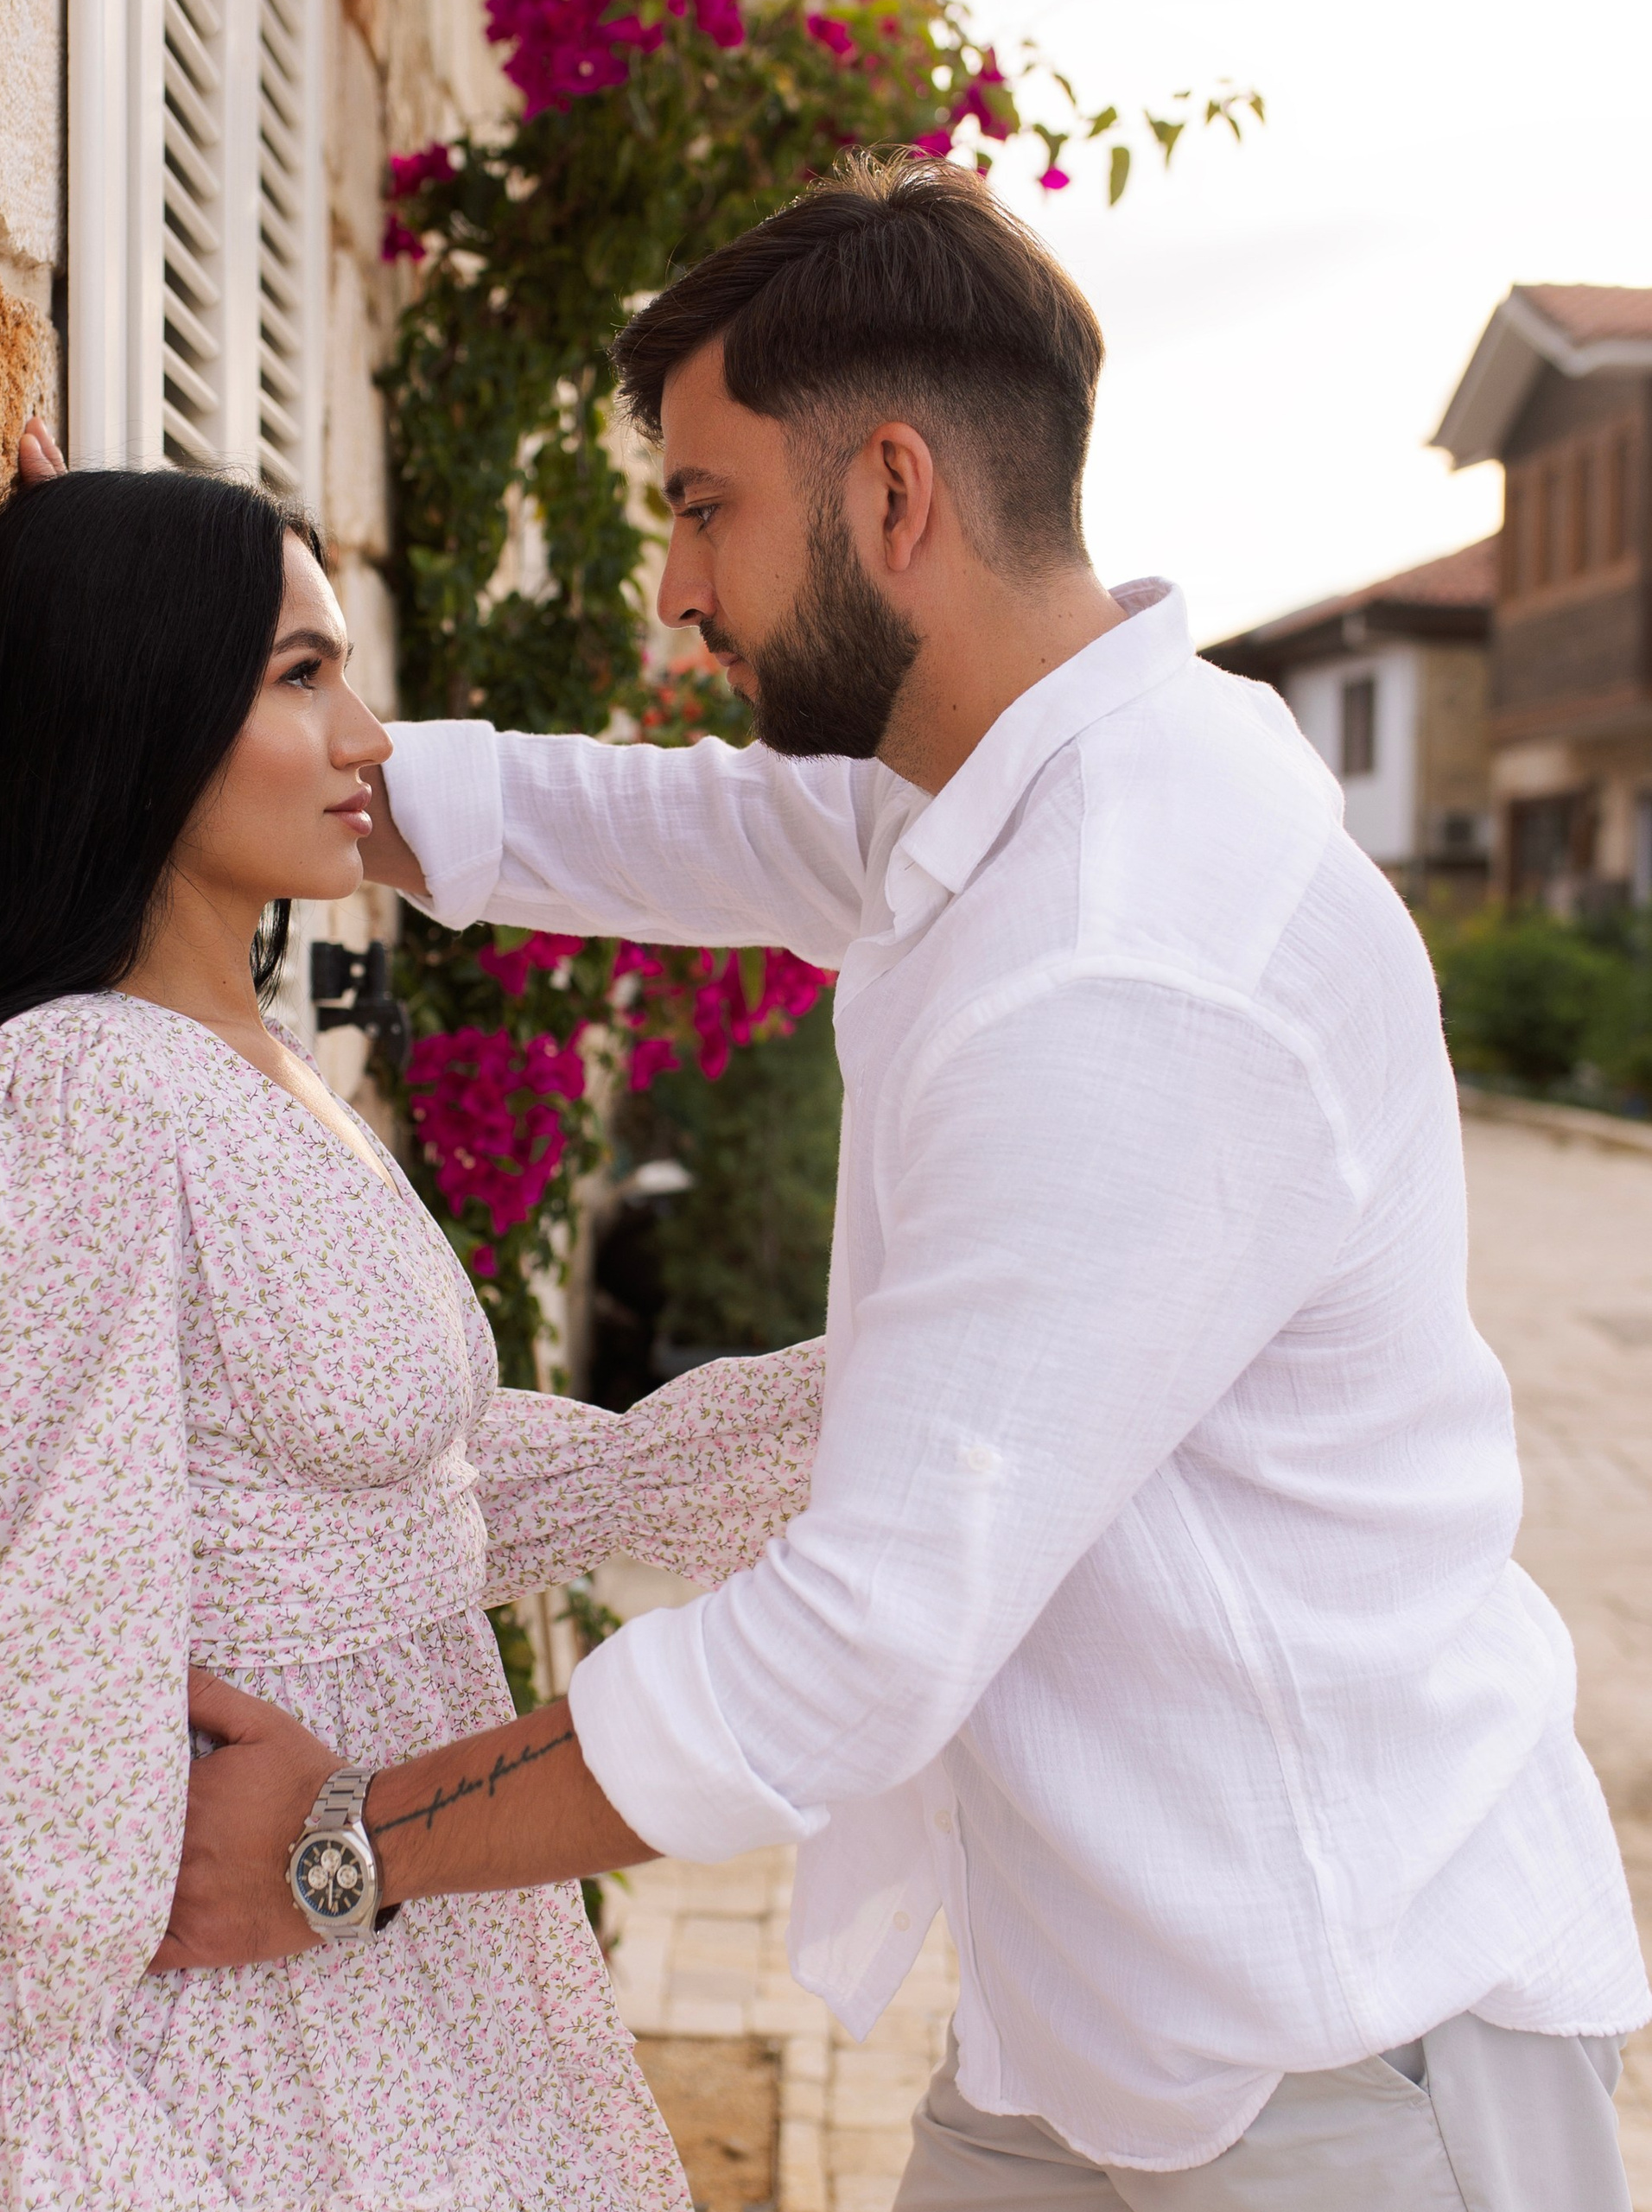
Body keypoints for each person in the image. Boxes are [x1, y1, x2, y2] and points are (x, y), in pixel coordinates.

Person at [149, 154, 1651, 2209]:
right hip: (1102, 2030)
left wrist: (345, 1845)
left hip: (1332, 2073)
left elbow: (846, 1648)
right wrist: (202, 702)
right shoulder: (1042, 788)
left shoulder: (1126, 953)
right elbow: (709, 832)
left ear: (886, 496)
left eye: (700, 507)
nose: (674, 585)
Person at [0, 461, 823, 2209]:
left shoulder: (262, 1076)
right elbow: (18, 1643)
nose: (367, 735)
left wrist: (882, 1410)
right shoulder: (77, 1098)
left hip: (401, 1934)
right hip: (229, 2021)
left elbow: (405, 1498)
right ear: (136, 699)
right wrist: (42, 2102)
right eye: (299, 676)